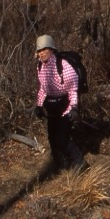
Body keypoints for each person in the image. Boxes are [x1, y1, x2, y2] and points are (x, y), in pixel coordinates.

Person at [34, 34, 85, 172]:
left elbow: (73, 89)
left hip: (66, 105)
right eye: (39, 50)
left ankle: (79, 163)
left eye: (45, 49)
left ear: (51, 49)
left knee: (62, 138)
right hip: (52, 107)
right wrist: (39, 105)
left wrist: (74, 108)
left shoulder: (63, 65)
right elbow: (43, 89)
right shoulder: (40, 67)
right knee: (52, 137)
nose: (42, 53)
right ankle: (61, 164)